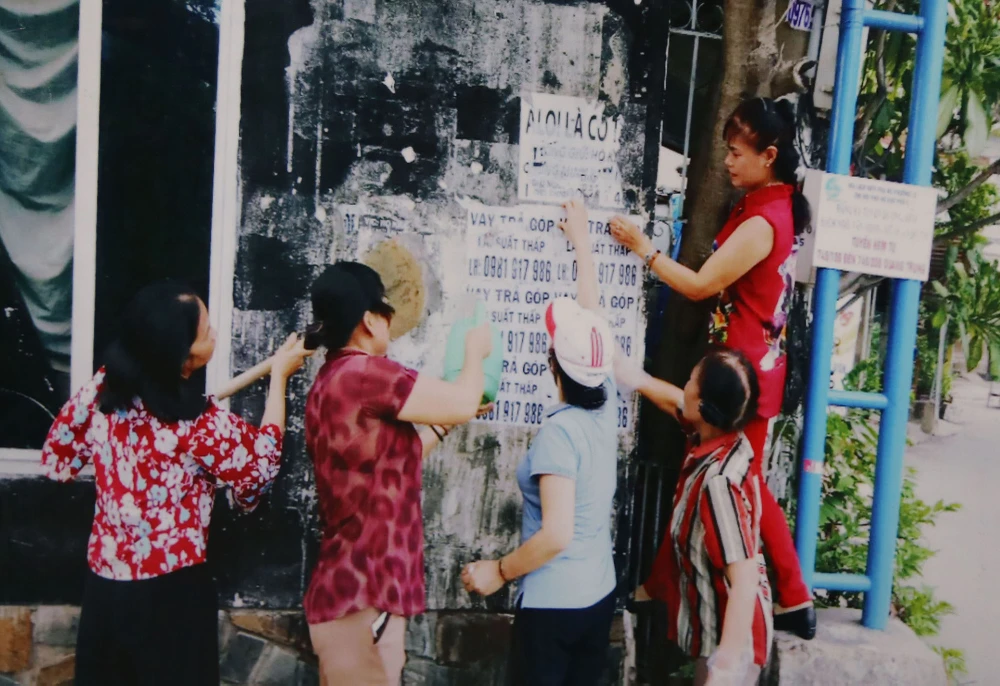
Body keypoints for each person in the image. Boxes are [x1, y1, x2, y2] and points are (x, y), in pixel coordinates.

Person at [609, 96, 815, 638]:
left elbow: (702, 285)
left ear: (769, 156)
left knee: (738, 481)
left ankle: (791, 595)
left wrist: (643, 249)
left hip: (741, 374)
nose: (727, 161)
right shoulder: (769, 206)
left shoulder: (763, 220)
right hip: (746, 363)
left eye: (737, 152)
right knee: (713, 470)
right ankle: (669, 584)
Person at [40, 280, 310, 685]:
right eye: (206, 332)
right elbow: (260, 468)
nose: (214, 334)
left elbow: (57, 460)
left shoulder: (102, 392)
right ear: (182, 356)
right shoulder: (196, 422)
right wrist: (279, 380)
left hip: (106, 592)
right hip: (172, 596)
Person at [302, 261, 493, 686]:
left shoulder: (332, 380)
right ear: (370, 319)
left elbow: (390, 466)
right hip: (363, 598)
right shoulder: (366, 374)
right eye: (386, 311)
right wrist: (475, 352)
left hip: (354, 596)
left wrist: (442, 424)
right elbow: (464, 399)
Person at [462, 199, 619, 686]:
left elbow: (556, 534)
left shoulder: (559, 434)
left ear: (552, 364)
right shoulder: (606, 396)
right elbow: (592, 313)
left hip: (554, 608)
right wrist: (582, 245)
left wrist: (499, 571)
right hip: (599, 593)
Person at [617, 348, 772, 686]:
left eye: (690, 380)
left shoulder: (719, 484)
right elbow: (677, 402)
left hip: (734, 642)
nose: (684, 386)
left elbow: (744, 581)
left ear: (702, 406)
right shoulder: (725, 438)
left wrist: (725, 668)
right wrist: (634, 376)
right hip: (719, 634)